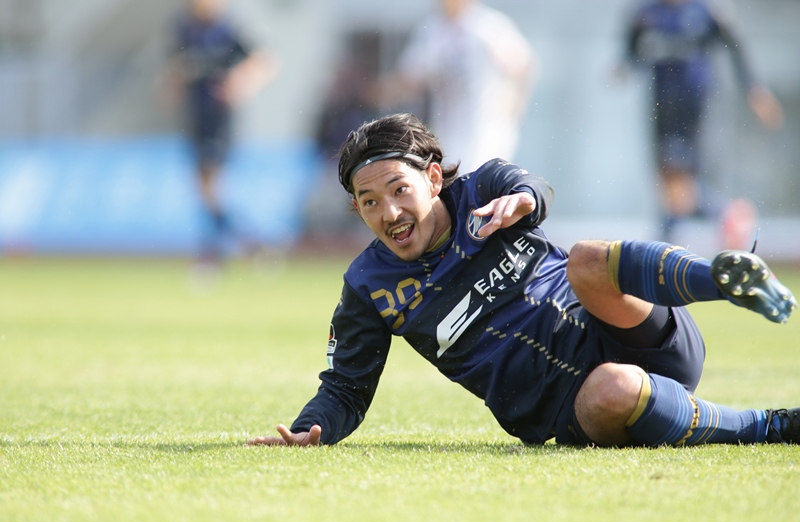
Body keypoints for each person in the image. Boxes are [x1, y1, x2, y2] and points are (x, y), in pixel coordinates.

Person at [247, 113, 797, 449]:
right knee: (614, 389)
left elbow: (534, 187)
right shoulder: (368, 285)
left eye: (399, 189)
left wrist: (525, 200)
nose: (389, 212)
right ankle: (768, 426)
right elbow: (345, 386)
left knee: (586, 259)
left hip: (636, 333)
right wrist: (311, 428)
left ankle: (721, 279)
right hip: (569, 405)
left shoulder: (483, 189)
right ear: (356, 209)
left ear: (433, 178)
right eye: (369, 202)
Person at [619, 0, 783, 245]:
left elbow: (735, 46)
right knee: (669, 183)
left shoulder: (705, 10)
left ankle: (720, 217)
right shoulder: (647, 12)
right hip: (661, 106)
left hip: (696, 107)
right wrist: (624, 64)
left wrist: (754, 89)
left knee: (680, 181)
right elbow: (632, 49)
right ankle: (683, 234)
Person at [166, 0, 279, 269]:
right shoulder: (184, 29)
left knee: (210, 188)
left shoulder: (229, 30)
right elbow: (175, 68)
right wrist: (175, 82)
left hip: (219, 120)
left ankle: (215, 253)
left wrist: (241, 83)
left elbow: (265, 61)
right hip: (196, 118)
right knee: (206, 191)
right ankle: (250, 245)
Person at [382, 0, 535, 174]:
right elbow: (409, 77)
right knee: (452, 178)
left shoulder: (488, 27)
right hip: (448, 131)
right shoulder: (432, 31)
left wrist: (514, 106)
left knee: (478, 180)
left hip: (486, 130)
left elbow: (522, 67)